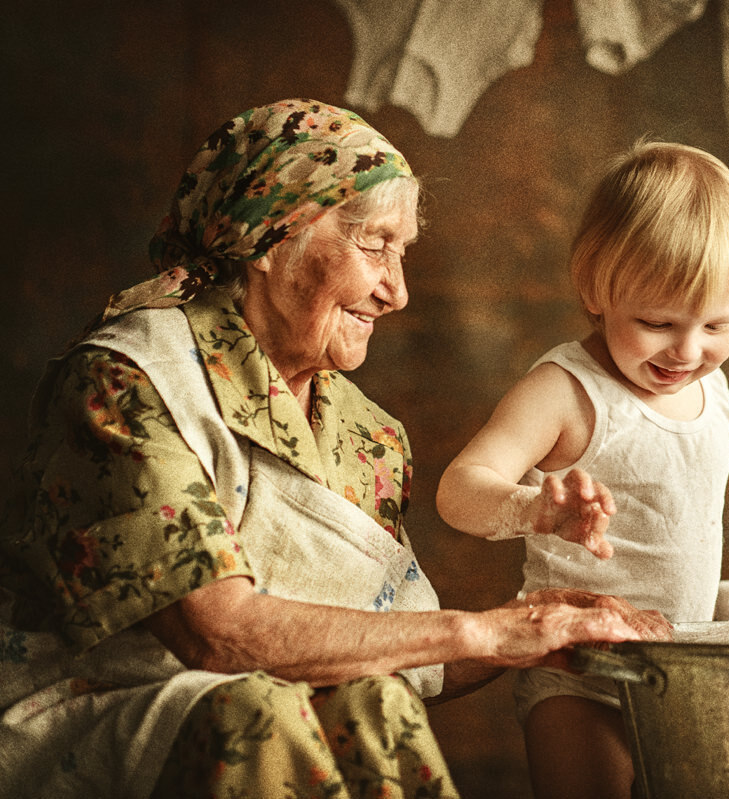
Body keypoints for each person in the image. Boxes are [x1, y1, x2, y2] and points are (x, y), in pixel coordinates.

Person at [0, 98, 671, 799]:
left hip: (259, 710)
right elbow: (217, 635)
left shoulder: (367, 435)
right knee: (256, 710)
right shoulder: (130, 379)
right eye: (375, 244)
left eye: (402, 251)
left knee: (374, 701)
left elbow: (391, 651)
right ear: (267, 238)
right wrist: (484, 632)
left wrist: (536, 623)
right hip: (88, 722)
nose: (397, 291)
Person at [436, 140, 729, 799]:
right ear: (595, 290)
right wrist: (535, 507)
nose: (690, 350)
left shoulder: (712, 386)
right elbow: (458, 490)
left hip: (686, 664)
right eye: (657, 322)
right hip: (579, 674)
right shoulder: (565, 392)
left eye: (717, 325)